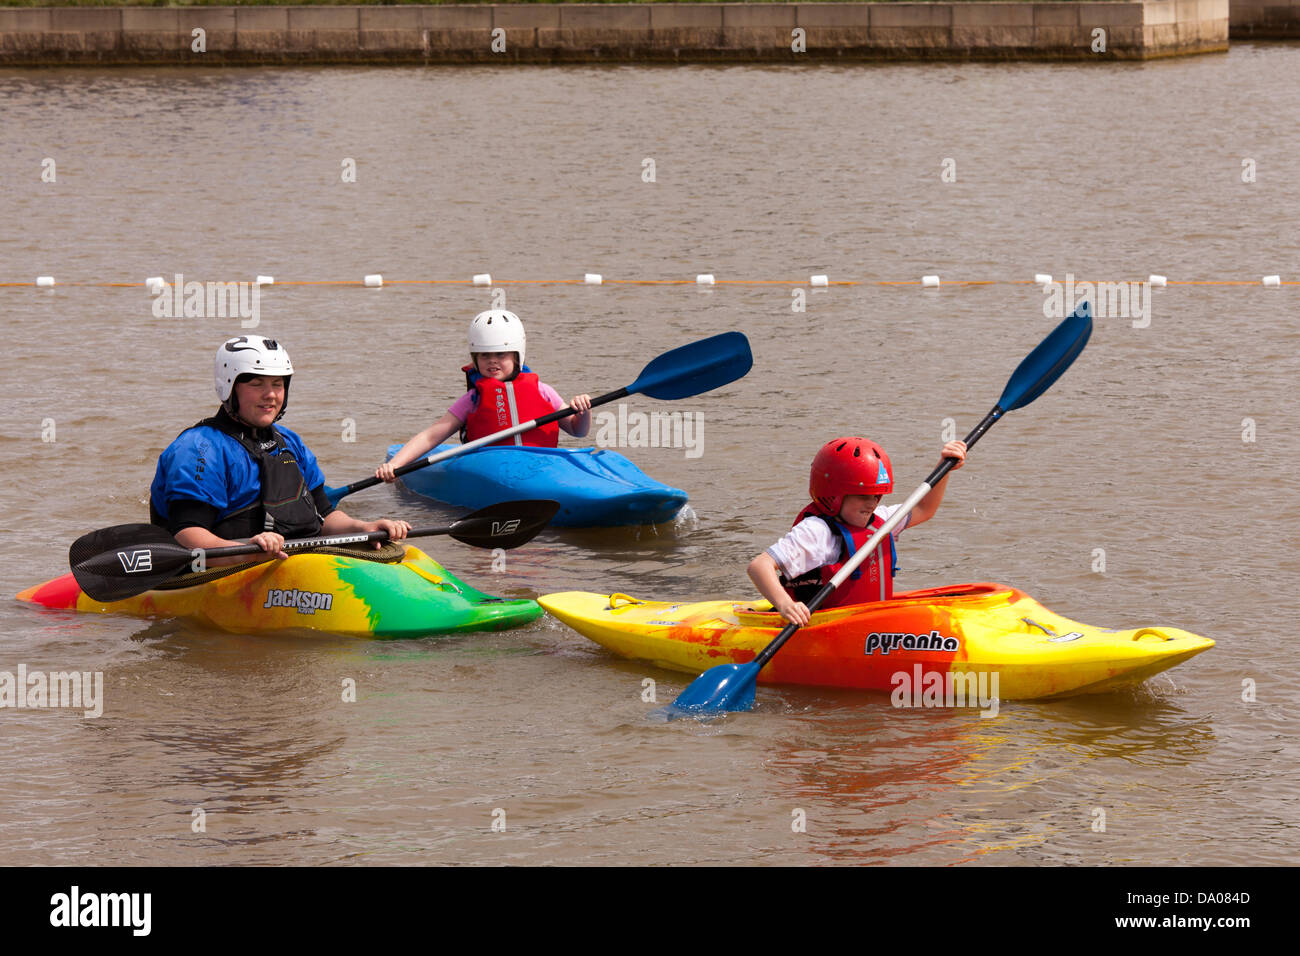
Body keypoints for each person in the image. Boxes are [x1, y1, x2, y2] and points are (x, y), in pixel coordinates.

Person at [150, 335, 409, 566]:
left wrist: (363, 528)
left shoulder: (289, 442)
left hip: (284, 560)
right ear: (229, 387)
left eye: (277, 384)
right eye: (257, 384)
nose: (271, 395)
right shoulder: (199, 449)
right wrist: (246, 553)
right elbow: (186, 534)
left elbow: (326, 515)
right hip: (229, 568)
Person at [748, 436, 968, 624]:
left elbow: (924, 508)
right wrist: (786, 605)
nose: (871, 503)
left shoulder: (881, 520)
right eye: (863, 495)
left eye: (877, 495)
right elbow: (759, 566)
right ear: (833, 494)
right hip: (819, 627)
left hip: (867, 625)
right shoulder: (817, 531)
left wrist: (944, 467)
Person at [376, 309, 593, 483]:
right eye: (485, 355)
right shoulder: (472, 399)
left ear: (517, 355)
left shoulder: (543, 391)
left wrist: (583, 411)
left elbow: (577, 430)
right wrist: (396, 465)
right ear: (475, 358)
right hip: (490, 471)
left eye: (500, 353)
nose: (492, 361)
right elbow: (431, 436)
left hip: (542, 467)